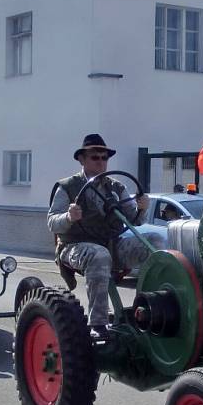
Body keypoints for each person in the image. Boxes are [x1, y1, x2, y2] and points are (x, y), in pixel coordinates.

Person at [48, 133, 150, 341]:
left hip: (110, 243)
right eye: (95, 157)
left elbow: (134, 220)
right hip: (74, 246)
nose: (101, 162)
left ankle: (147, 311)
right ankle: (98, 323)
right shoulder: (67, 187)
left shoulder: (116, 187)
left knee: (153, 248)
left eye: (104, 158)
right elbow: (51, 222)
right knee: (99, 255)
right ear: (82, 159)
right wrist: (68, 217)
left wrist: (142, 209)